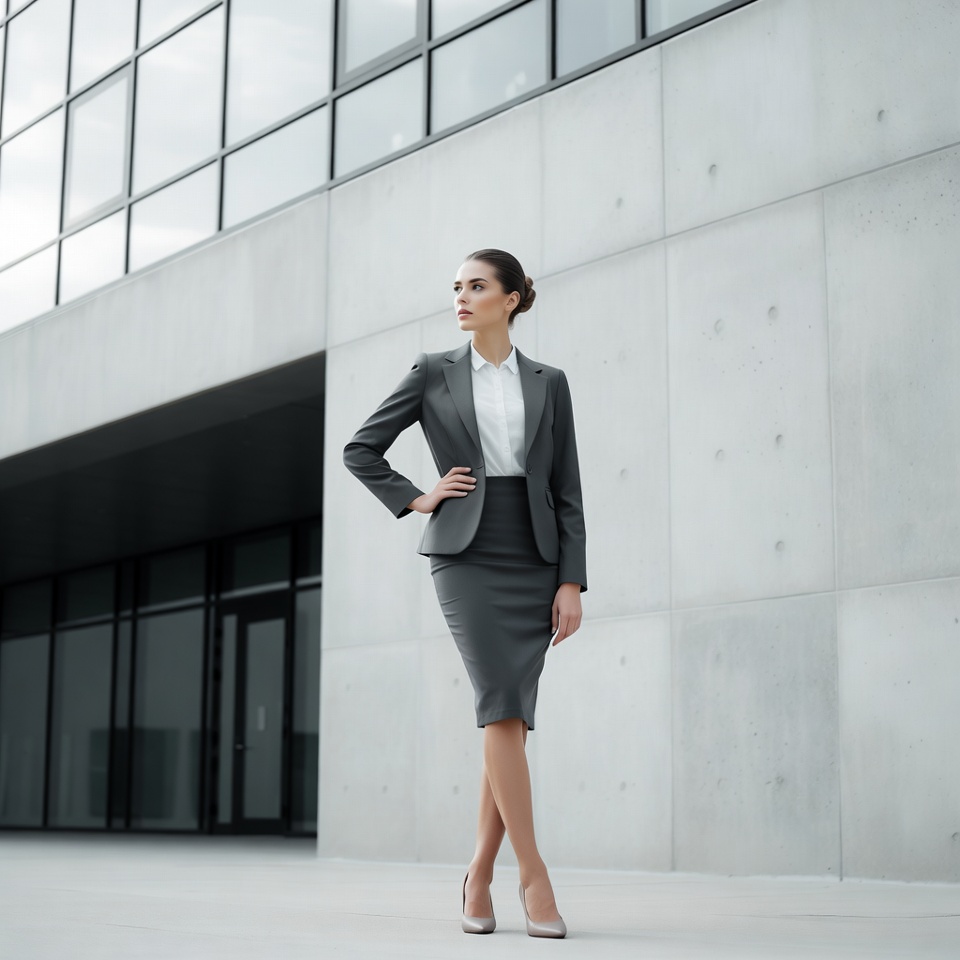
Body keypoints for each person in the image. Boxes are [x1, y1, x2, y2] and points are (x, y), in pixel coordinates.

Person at [342, 248, 587, 938]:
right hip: (466, 552)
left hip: (535, 553)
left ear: (510, 299)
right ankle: (534, 877)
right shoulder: (431, 372)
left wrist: (570, 579)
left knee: (505, 716)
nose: (461, 297)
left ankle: (477, 874)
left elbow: (567, 489)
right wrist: (417, 498)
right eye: (456, 287)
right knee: (499, 706)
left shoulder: (551, 382)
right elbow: (361, 448)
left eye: (476, 286)